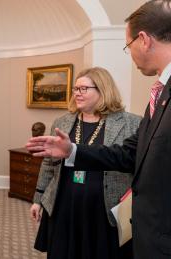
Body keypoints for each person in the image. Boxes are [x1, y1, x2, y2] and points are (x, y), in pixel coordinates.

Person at [26, 1, 171, 258]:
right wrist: (71, 150)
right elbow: (129, 153)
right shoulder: (168, 89)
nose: (130, 53)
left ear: (144, 40)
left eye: (128, 46)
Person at [29, 67, 141, 258]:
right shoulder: (62, 121)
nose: (77, 94)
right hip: (65, 204)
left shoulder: (131, 123)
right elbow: (49, 163)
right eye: (75, 89)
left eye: (83, 89)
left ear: (103, 90)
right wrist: (38, 200)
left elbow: (134, 165)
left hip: (104, 210)